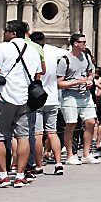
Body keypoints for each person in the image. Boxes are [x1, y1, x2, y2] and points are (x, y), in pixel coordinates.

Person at [0, 19, 45, 188]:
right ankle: (20, 175)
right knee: (23, 136)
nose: (4, 34)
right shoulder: (33, 50)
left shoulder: (3, 47)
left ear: (13, 33)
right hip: (25, 97)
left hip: (5, 96)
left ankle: (2, 175)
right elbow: (38, 76)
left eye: (6, 31)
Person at [58, 33, 100, 165]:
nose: (85, 45)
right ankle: (70, 154)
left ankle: (86, 154)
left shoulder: (86, 57)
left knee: (91, 122)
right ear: (75, 43)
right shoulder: (65, 60)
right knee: (71, 124)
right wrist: (76, 82)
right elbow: (59, 83)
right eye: (83, 42)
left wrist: (89, 81)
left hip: (85, 94)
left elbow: (90, 74)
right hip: (70, 95)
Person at [30, 32, 64, 175]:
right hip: (52, 97)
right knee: (52, 132)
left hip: (37, 97)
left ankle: (38, 164)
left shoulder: (32, 53)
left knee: (38, 133)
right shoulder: (53, 52)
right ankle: (58, 163)